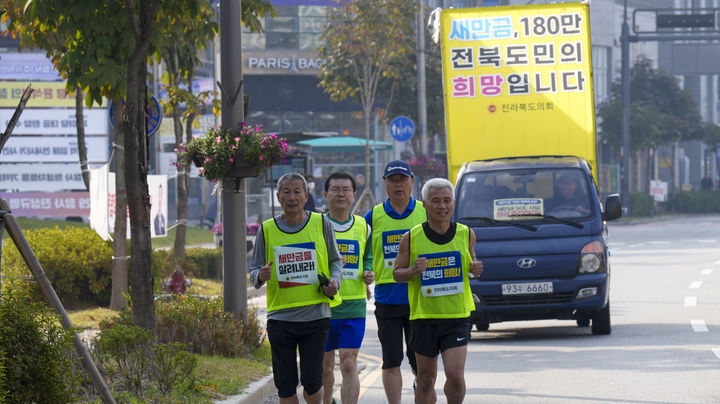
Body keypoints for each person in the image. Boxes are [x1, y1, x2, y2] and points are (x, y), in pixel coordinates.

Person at [249, 173, 344, 404]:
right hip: (281, 318)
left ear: (306, 195)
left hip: (315, 316)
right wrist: (260, 275)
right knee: (285, 385)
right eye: (286, 192)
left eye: (297, 192)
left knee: (312, 382)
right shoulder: (267, 229)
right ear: (278, 196)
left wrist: (334, 282)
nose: (292, 197)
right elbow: (254, 272)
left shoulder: (321, 223)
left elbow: (336, 261)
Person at [393, 178, 483, 404]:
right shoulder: (411, 237)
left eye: (447, 201)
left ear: (453, 203)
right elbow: (396, 273)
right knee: (425, 379)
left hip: (456, 316)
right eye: (436, 201)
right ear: (424, 204)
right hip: (424, 318)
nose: (442, 206)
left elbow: (472, 267)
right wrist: (413, 270)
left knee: (456, 378)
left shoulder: (466, 234)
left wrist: (476, 269)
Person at [363, 160, 426, 404]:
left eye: (402, 179)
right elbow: (363, 253)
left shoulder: (425, 211)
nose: (398, 184)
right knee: (391, 359)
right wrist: (366, 273)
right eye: (392, 180)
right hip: (388, 299)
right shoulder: (373, 216)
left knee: (419, 361)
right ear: (385, 184)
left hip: (420, 299)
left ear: (412, 182)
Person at [321, 173, 374, 404]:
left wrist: (368, 271)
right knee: (324, 368)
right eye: (335, 189)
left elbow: (368, 257)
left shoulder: (363, 226)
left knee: (349, 363)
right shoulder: (316, 224)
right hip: (322, 306)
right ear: (325, 195)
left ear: (354, 195)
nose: (341, 194)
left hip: (353, 305)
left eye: (346, 189)